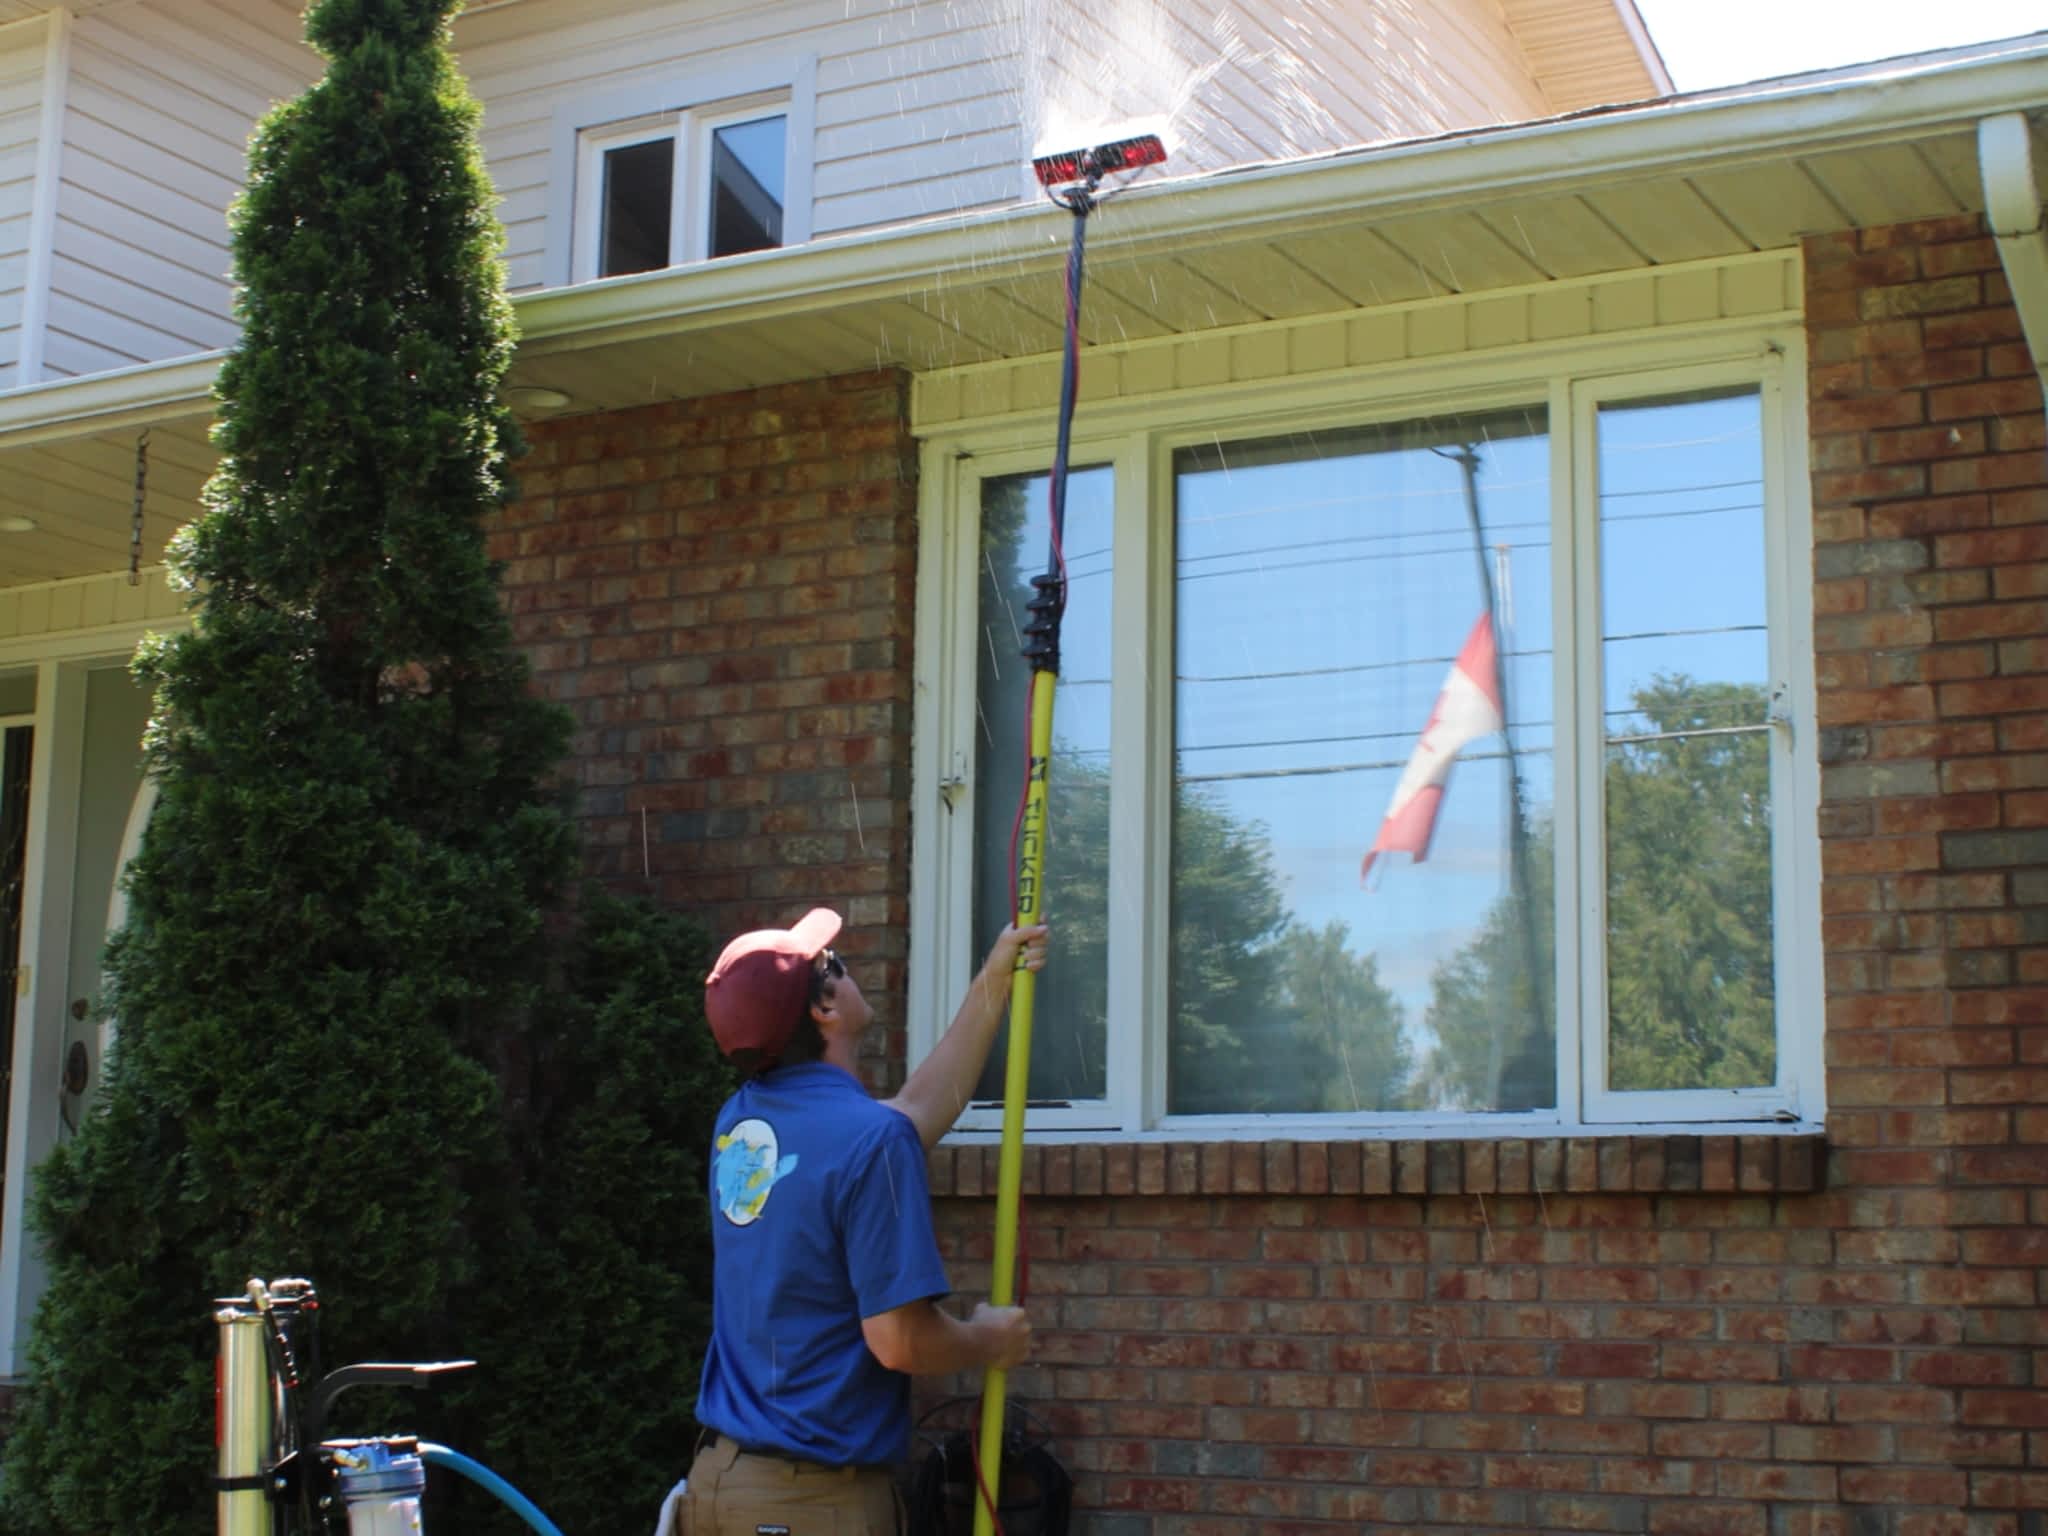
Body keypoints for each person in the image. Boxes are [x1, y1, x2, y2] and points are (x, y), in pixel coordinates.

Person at [679, 907, 1047, 1536]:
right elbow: (898, 1341)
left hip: (720, 1486)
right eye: (836, 966)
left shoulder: (741, 1125)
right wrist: (986, 1341)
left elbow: (914, 1109)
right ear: (824, 1007)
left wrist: (994, 980)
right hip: (811, 1505)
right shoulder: (869, 1142)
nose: (850, 974)